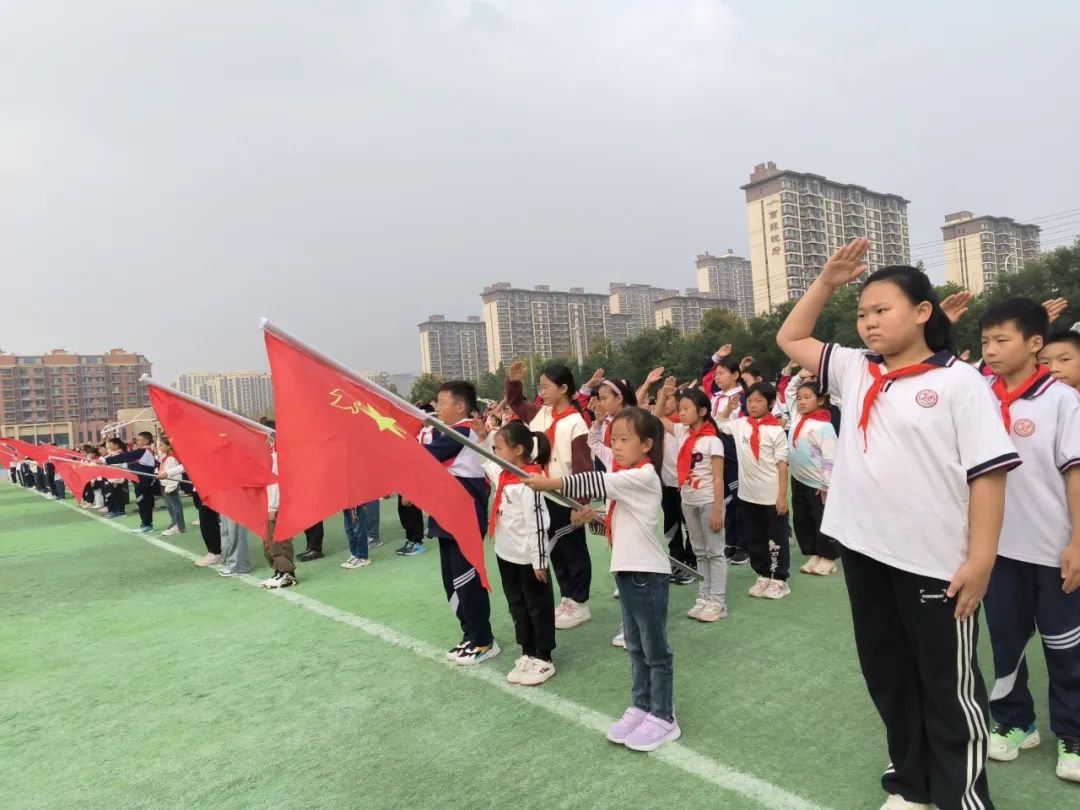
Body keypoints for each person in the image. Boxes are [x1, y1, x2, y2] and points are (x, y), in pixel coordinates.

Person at [777, 238, 1020, 810]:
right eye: (861, 313)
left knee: (949, 688)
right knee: (888, 675)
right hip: (866, 553)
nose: (867, 323)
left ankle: (962, 797)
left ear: (922, 312)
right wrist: (826, 283)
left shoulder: (961, 383)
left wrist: (981, 560)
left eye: (881, 310)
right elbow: (790, 338)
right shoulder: (856, 369)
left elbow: (989, 476)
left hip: (934, 561)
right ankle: (912, 786)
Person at [526, 407, 679, 752]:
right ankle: (642, 706)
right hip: (627, 574)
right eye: (616, 439)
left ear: (647, 444)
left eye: (625, 440)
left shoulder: (643, 476)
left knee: (656, 651)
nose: (618, 446)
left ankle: (664, 716)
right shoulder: (628, 479)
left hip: (647, 576)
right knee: (637, 647)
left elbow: (593, 481)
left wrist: (548, 483)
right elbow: (619, 524)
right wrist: (593, 519)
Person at [977, 297, 1080, 783]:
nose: (991, 351)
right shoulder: (977, 394)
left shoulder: (1061, 400)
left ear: (1034, 344)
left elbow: (1075, 474)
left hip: (1053, 548)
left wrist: (1078, 540)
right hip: (996, 550)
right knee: (1006, 645)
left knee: (1066, 647)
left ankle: (1073, 734)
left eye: (1002, 340)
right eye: (985, 342)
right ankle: (1017, 724)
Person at [506, 361, 594, 630]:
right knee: (555, 549)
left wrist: (580, 504)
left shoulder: (576, 422)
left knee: (573, 549)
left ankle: (580, 601)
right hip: (544, 493)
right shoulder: (541, 414)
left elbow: (582, 466)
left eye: (546, 387)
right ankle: (567, 597)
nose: (541, 392)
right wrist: (513, 382)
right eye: (539, 387)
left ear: (564, 388)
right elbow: (517, 404)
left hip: (566, 495)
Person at [478, 419, 555, 686]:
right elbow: (484, 461)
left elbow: (538, 524)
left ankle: (544, 657)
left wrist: (539, 560)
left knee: (537, 606)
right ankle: (528, 651)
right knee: (517, 605)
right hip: (505, 555)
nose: (495, 453)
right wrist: (481, 439)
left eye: (499, 448)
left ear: (518, 450)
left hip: (528, 559)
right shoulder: (503, 474)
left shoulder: (530, 482)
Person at [428, 380, 499, 665]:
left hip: (463, 516)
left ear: (460, 406)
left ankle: (483, 640)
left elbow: (425, 456)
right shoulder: (449, 430)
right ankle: (469, 634)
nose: (437, 408)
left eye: (442, 403)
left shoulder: (463, 431)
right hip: (446, 514)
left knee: (466, 579)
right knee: (452, 579)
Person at [655, 380, 728, 622]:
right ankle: (704, 596)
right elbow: (656, 420)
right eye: (680, 408)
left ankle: (718, 601)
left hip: (708, 502)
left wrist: (718, 510)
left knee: (714, 551)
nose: (681, 412)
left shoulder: (712, 441)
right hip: (688, 500)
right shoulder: (682, 432)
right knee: (699, 552)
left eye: (686, 408)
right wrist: (664, 396)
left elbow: (718, 479)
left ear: (703, 411)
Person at [717, 382, 790, 599]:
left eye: (759, 401)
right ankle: (763, 574)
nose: (754, 405)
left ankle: (779, 579)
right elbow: (719, 422)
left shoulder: (776, 430)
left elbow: (782, 464)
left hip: (771, 494)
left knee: (775, 537)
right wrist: (729, 408)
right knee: (755, 537)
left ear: (771, 403)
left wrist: (782, 496)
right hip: (748, 495)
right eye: (750, 401)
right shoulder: (740, 424)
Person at [787, 381, 838, 576]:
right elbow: (790, 391)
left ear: (821, 399)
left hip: (818, 484)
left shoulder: (824, 426)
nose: (801, 402)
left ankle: (828, 557)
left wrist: (826, 485)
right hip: (798, 478)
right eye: (800, 398)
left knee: (821, 518)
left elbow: (830, 457)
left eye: (807, 397)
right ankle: (813, 553)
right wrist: (799, 374)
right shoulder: (797, 417)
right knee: (802, 518)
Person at [259, 422, 297, 589]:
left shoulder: (275, 458)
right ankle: (278, 571)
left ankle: (287, 573)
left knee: (279, 541)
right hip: (268, 505)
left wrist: (273, 507)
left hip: (277, 506)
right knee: (268, 542)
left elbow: (275, 485)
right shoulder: (267, 456)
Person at [104, 432, 157, 532]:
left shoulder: (143, 451)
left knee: (143, 503)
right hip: (142, 481)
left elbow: (125, 457)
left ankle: (147, 525)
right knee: (144, 503)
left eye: (139, 440)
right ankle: (146, 524)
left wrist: (105, 461)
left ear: (146, 441)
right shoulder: (145, 451)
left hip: (143, 482)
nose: (136, 441)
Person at [156, 437, 187, 537]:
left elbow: (175, 475)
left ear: (169, 446)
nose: (159, 448)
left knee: (175, 506)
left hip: (170, 486)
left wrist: (170, 488)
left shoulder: (171, 458)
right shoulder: (165, 456)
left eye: (162, 445)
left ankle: (177, 526)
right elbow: (159, 453)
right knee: (170, 507)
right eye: (159, 445)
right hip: (165, 484)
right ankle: (176, 525)